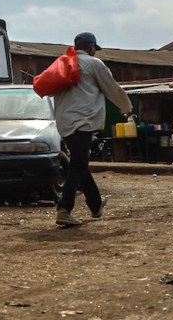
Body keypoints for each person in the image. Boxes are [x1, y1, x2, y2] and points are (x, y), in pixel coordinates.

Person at [53, 32, 132, 227]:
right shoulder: (94, 64)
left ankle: (96, 204)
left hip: (64, 122)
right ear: (90, 47)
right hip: (83, 121)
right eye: (95, 48)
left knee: (80, 162)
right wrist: (127, 108)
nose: (95, 51)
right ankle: (64, 208)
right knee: (78, 164)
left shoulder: (62, 63)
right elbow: (112, 88)